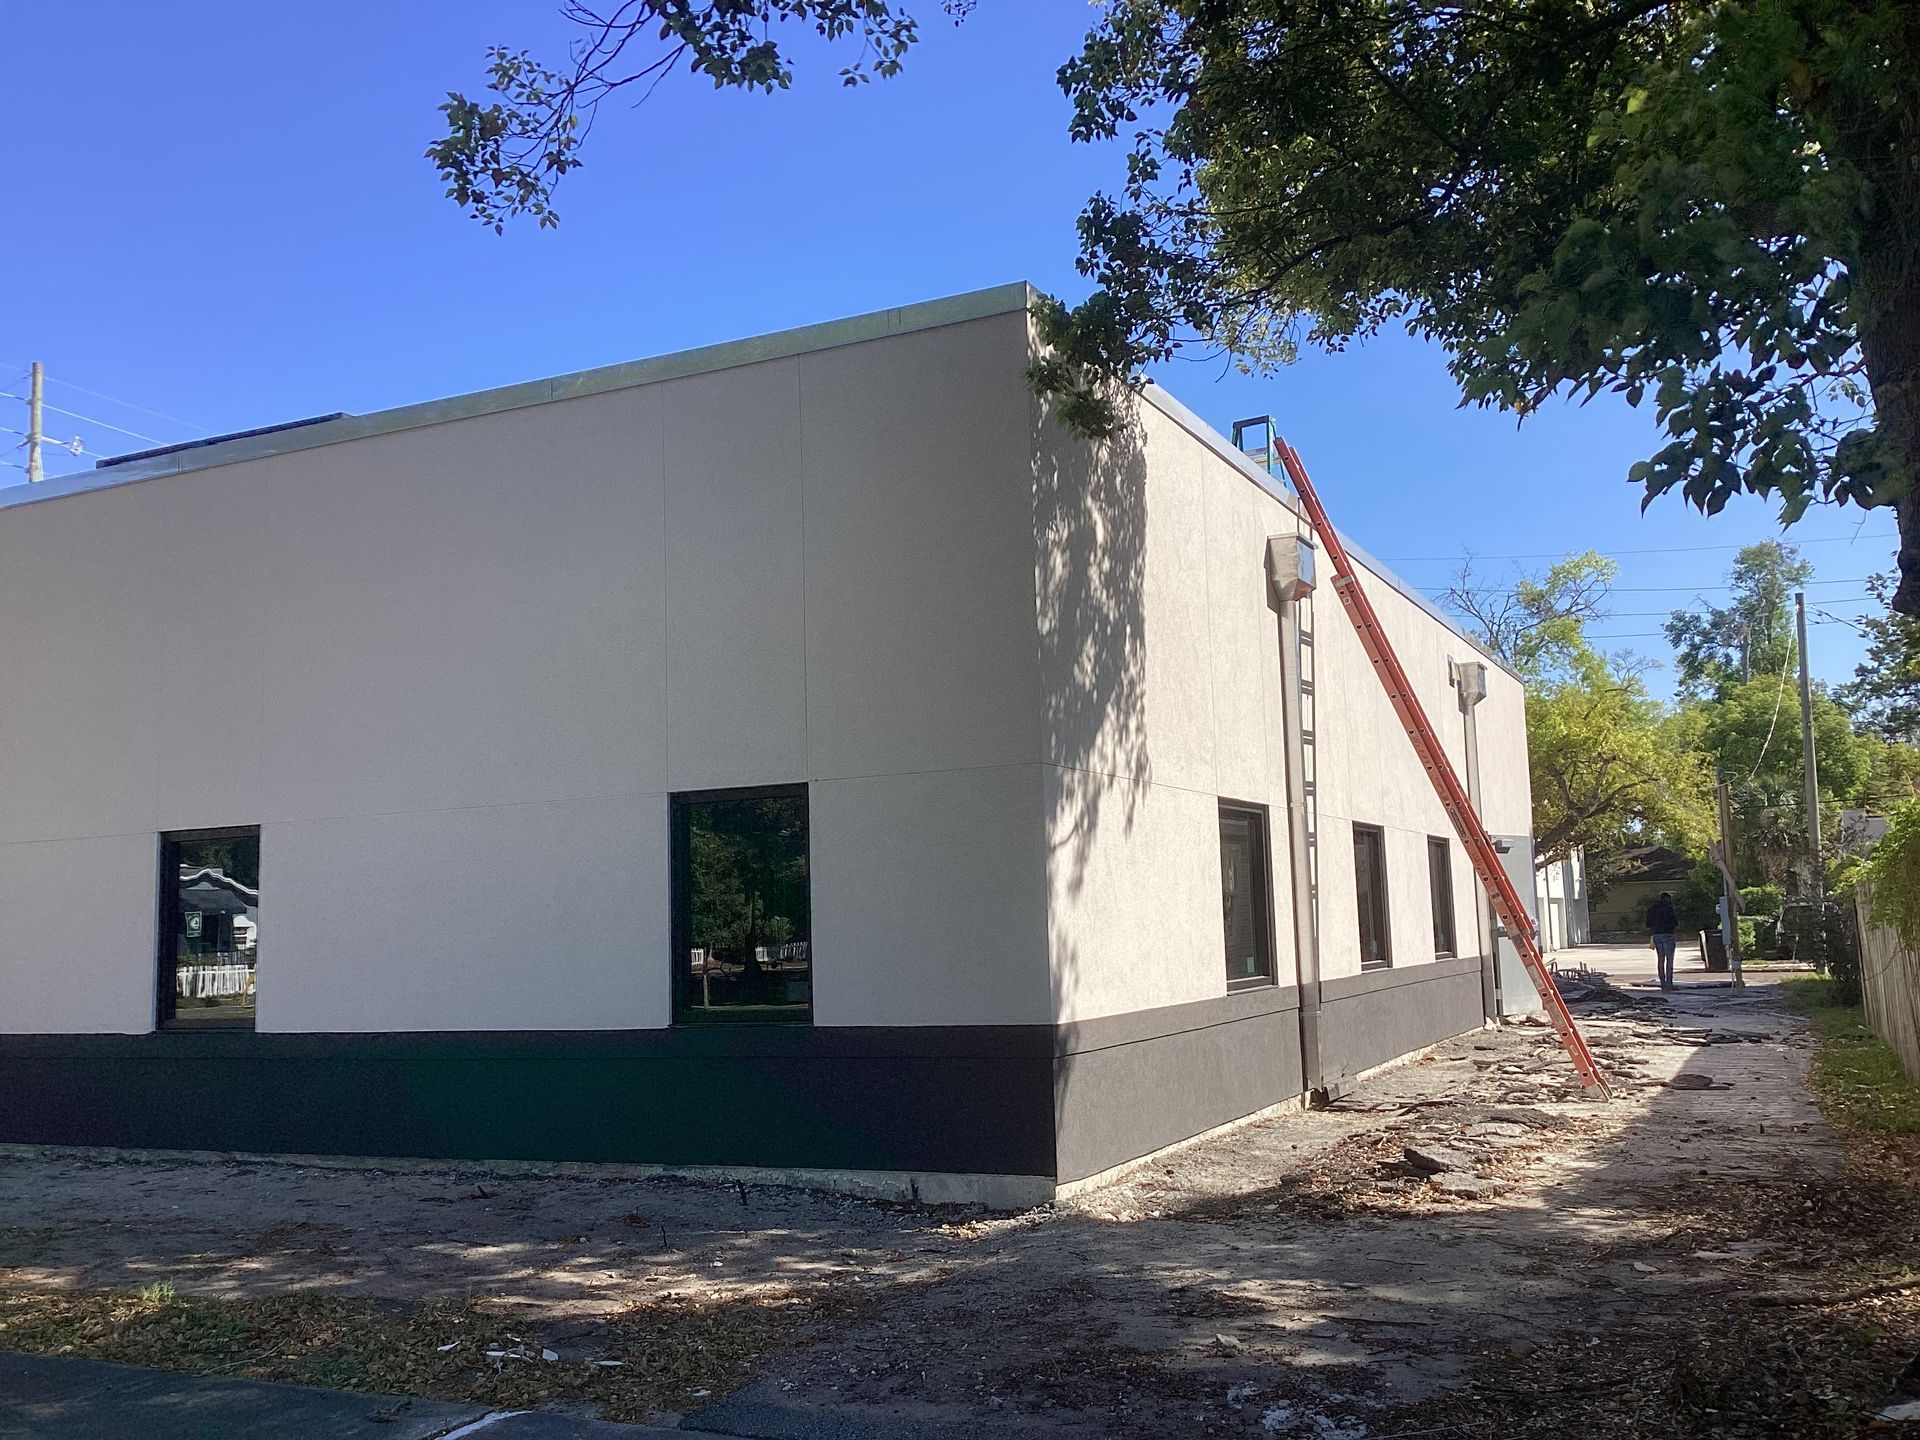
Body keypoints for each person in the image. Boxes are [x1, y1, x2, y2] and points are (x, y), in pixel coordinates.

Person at [1647, 890, 1679, 990]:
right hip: (1667, 934)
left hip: (1656, 935)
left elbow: (1648, 923)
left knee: (1660, 959)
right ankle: (1669, 983)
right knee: (1669, 960)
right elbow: (1675, 922)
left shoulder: (1652, 909)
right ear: (1667, 899)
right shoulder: (1669, 908)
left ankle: (1662, 982)